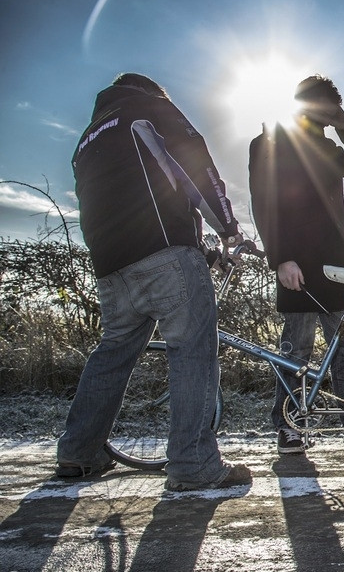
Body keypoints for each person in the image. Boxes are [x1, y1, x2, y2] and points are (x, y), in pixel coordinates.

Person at [61, 72, 252, 491]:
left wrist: (203, 251)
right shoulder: (147, 107)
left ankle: (79, 452)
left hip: (111, 266)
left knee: (113, 352)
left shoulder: (87, 139)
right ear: (154, 92)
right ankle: (193, 463)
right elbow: (195, 163)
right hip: (166, 256)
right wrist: (228, 229)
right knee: (193, 350)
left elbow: (136, 200)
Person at [249, 74, 344, 453]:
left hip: (338, 264)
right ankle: (288, 427)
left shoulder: (326, 146)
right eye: (326, 107)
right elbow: (263, 201)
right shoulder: (270, 142)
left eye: (334, 110)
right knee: (295, 350)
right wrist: (280, 257)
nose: (329, 114)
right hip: (297, 264)